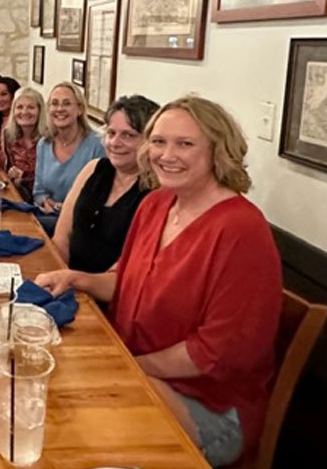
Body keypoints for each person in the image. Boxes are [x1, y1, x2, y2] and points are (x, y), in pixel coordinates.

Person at [36, 96, 282, 468]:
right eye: (159, 141)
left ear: (219, 150)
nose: (167, 154)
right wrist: (76, 278)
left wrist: (128, 367)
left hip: (207, 402)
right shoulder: (157, 204)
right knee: (49, 404)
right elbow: (126, 280)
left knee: (76, 440)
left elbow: (215, 354)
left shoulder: (241, 229)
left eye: (185, 144)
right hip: (138, 366)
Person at [52, 95, 160, 273]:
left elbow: (128, 273)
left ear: (149, 141)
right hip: (68, 282)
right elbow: (61, 239)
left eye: (128, 135)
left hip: (110, 293)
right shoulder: (92, 169)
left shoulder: (155, 191)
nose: (115, 143)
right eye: (111, 133)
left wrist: (76, 283)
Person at [32, 82, 105, 235]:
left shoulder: (97, 145)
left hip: (81, 224)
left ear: (79, 109)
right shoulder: (44, 144)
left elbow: (100, 198)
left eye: (66, 103)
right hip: (49, 215)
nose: (59, 109)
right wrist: (46, 201)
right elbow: (38, 191)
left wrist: (66, 209)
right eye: (54, 104)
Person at [0, 87, 48, 202]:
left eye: (31, 107)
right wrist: (13, 175)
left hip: (42, 200)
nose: (24, 112)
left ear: (40, 111)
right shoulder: (8, 135)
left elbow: (48, 179)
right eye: (19, 107)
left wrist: (24, 177)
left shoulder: (48, 138)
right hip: (17, 195)